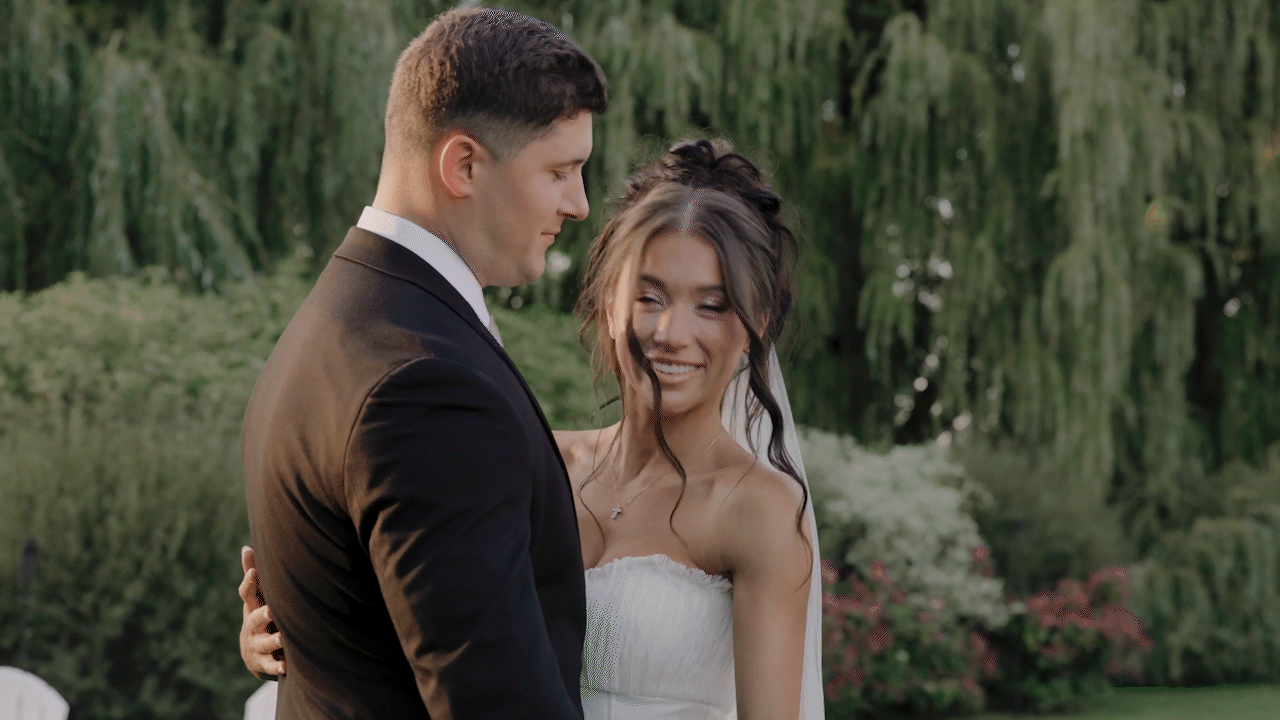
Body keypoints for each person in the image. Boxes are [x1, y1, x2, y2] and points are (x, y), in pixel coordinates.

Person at [241, 139, 827, 720]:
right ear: (607, 303)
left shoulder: (761, 511)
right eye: (650, 297)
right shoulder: (534, 462)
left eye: (712, 306)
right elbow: (429, 627)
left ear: (755, 326)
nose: (672, 332)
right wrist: (293, 628)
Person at [239, 7, 608, 719]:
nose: (580, 204)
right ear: (463, 164)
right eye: (561, 171)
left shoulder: (336, 320)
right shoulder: (428, 387)